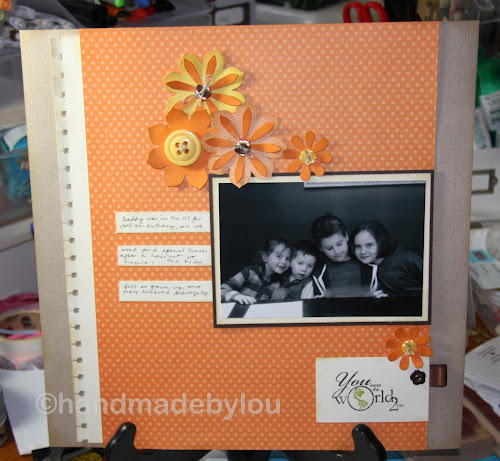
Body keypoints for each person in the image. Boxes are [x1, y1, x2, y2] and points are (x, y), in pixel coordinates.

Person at [351, 221, 423, 297]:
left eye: (369, 245)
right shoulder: (362, 268)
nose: (363, 251)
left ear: (381, 242)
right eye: (358, 246)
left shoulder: (407, 259)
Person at [309, 214, 370, 298]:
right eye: (329, 248)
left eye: (339, 244)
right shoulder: (319, 273)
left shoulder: (366, 262)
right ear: (321, 248)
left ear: (346, 236)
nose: (336, 251)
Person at [220, 238, 292, 305]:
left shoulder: (278, 284)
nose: (284, 262)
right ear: (265, 257)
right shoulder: (249, 272)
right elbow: (220, 290)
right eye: (279, 256)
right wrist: (235, 295)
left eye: (288, 259)